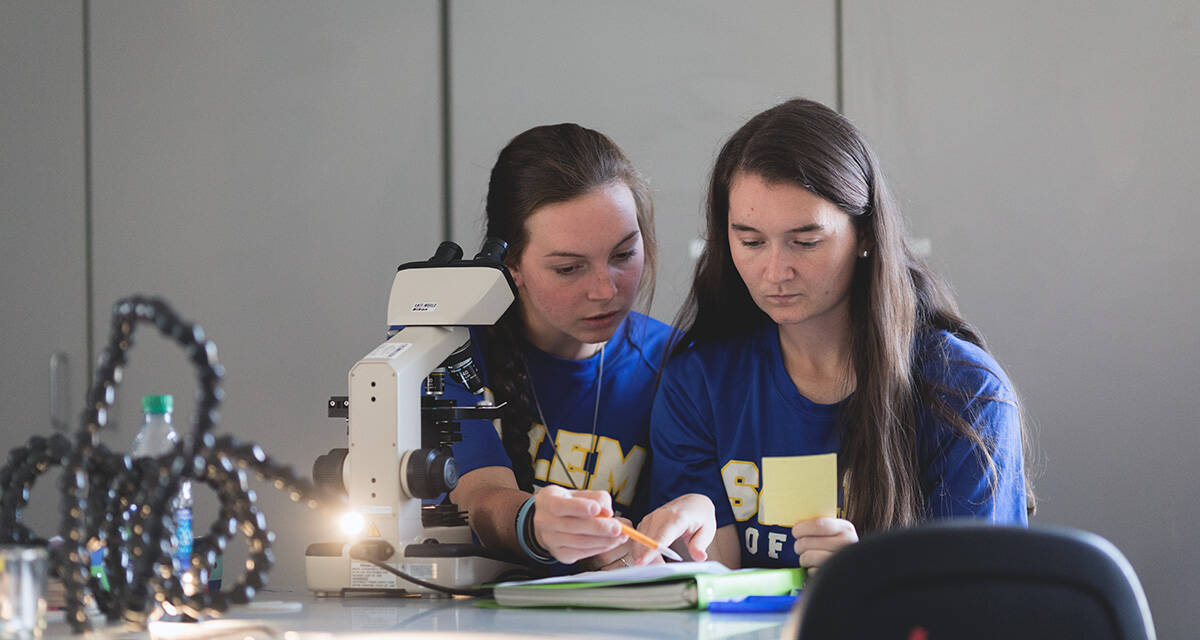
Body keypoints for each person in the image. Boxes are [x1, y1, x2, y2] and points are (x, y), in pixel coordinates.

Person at [636, 98, 1035, 570]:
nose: (775, 270)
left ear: (865, 235)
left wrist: (869, 583)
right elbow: (716, 588)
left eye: (805, 242)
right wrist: (688, 542)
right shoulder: (698, 381)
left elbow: (981, 604)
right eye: (750, 242)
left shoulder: (963, 391)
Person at [445, 123, 682, 571]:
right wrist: (534, 524)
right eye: (569, 268)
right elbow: (479, 498)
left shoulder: (676, 363)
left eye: (623, 255)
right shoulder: (447, 347)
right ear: (511, 264)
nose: (604, 290)